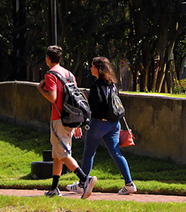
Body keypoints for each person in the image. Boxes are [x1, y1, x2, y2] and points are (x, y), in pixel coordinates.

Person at [67, 56, 136, 195]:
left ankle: (82, 183)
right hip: (114, 124)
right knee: (116, 153)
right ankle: (129, 183)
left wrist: (85, 99)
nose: (91, 68)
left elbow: (92, 108)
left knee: (89, 154)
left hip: (99, 123)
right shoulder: (113, 84)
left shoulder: (96, 86)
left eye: (92, 66)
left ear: (98, 69)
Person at [36, 45, 96, 199]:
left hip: (58, 118)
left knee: (62, 154)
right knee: (58, 154)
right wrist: (77, 124)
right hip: (71, 118)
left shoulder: (50, 75)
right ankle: (54, 188)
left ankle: (85, 179)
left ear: (48, 59)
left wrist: (40, 89)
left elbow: (53, 97)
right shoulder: (69, 74)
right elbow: (75, 97)